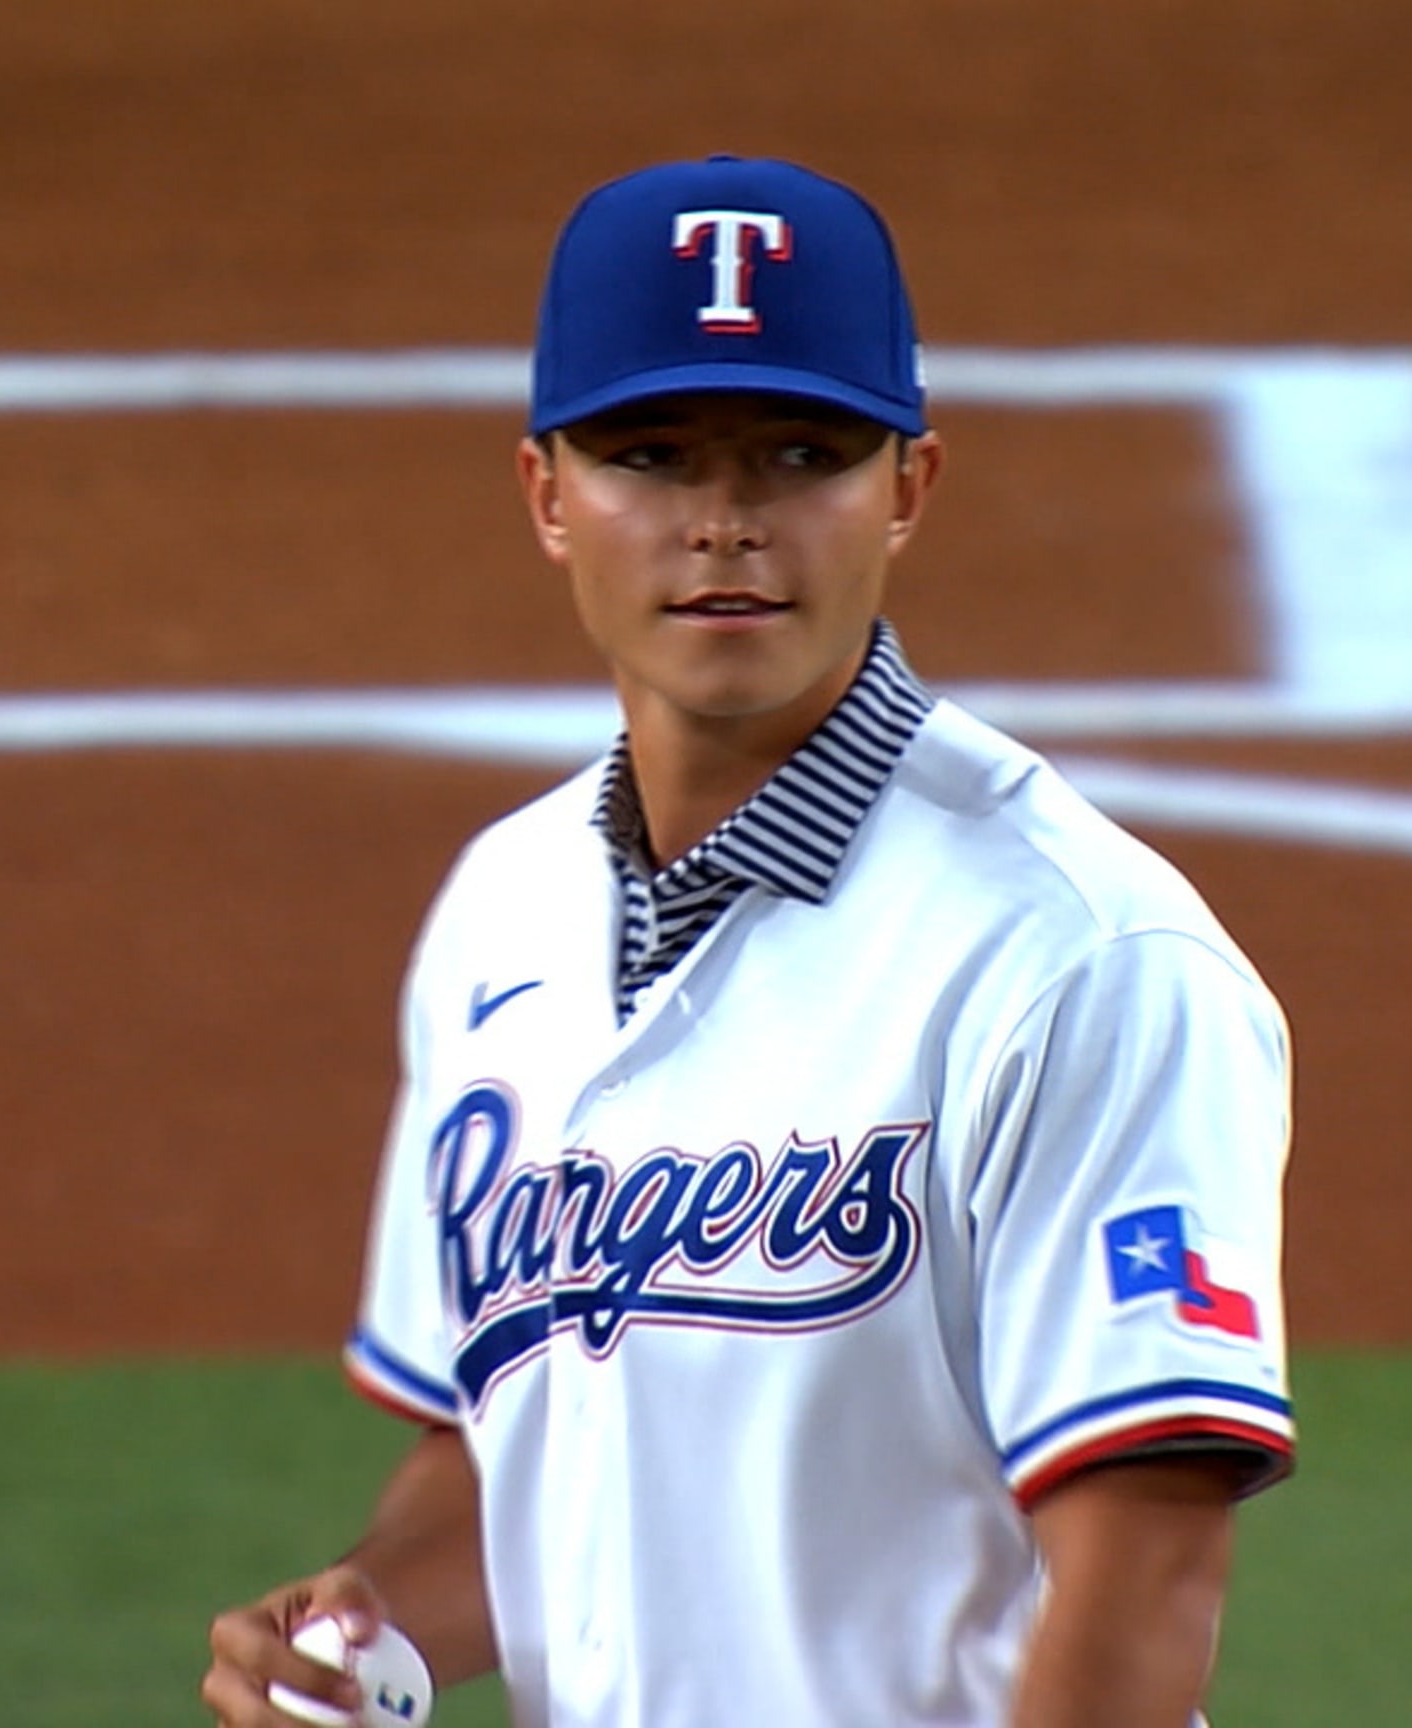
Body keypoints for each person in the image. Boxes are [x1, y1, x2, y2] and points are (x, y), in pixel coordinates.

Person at [203, 154, 1294, 1728]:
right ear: (547, 497)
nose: (725, 522)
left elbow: (1146, 1563)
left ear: (907, 489)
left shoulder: (1080, 957)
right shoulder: (499, 912)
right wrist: (365, 1623)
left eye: (800, 452)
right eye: (652, 454)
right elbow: (516, 1443)